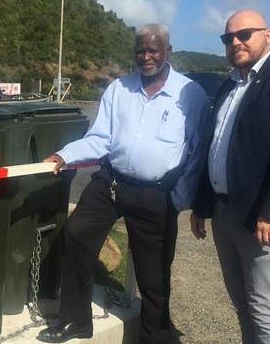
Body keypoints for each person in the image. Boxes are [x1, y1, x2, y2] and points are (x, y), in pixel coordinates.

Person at [37, 24, 210, 344]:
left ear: (168, 52)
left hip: (157, 194)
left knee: (153, 273)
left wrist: (180, 198)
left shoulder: (191, 94)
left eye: (153, 50)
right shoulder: (119, 89)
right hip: (111, 182)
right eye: (140, 50)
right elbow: (99, 139)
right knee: (76, 234)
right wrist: (64, 155)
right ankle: (75, 321)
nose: (146, 57)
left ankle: (155, 336)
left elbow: (198, 151)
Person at [190, 9, 270, 344]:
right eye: (228, 38)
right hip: (225, 212)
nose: (235, 42)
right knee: (243, 306)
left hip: (265, 219)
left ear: (268, 35)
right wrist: (202, 206)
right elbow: (214, 146)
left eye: (244, 34)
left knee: (266, 311)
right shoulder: (229, 86)